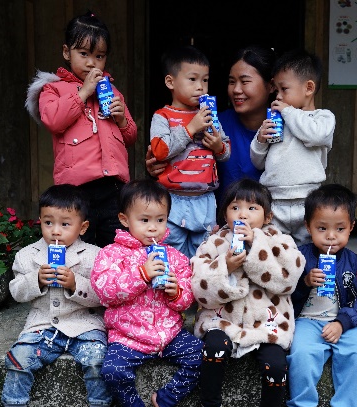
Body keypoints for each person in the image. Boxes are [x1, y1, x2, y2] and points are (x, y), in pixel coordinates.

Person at [0, 184, 112, 407]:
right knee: (19, 359)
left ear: (82, 227)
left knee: (97, 359)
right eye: (48, 222)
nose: (55, 231)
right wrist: (35, 281)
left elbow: (105, 297)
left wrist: (74, 284)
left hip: (84, 324)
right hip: (42, 324)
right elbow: (16, 292)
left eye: (65, 224)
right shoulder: (28, 255)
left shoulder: (95, 255)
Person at [190, 179, 305, 407]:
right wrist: (225, 266)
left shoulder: (280, 240)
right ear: (224, 213)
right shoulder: (214, 242)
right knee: (214, 347)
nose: (242, 214)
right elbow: (199, 287)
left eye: (252, 208)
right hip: (223, 320)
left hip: (268, 322)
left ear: (267, 216)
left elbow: (288, 280)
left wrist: (257, 247)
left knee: (276, 364)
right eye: (235, 207)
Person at [91, 180, 202, 407]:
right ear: (124, 220)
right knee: (112, 370)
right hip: (128, 336)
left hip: (169, 334)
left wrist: (177, 293)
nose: (153, 227)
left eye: (160, 220)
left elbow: (188, 298)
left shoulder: (174, 257)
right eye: (144, 219)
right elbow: (104, 291)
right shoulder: (111, 254)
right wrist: (141, 275)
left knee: (201, 355)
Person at [25, 11, 137, 247]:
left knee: (114, 246)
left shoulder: (112, 92)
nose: (91, 62)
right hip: (75, 189)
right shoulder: (53, 89)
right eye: (83, 54)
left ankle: (111, 284)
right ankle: (78, 284)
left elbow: (130, 137)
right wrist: (83, 93)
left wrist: (122, 120)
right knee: (78, 245)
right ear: (67, 52)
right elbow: (53, 120)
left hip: (112, 188)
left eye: (99, 56)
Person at [286, 184, 357, 407]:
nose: (331, 237)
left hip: (344, 323)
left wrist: (343, 323)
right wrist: (303, 282)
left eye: (340, 229)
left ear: (352, 227)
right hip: (307, 321)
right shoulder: (299, 257)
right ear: (308, 226)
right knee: (302, 353)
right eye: (322, 228)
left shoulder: (354, 261)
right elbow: (283, 293)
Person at [146, 46, 276, 203]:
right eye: (231, 82)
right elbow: (174, 153)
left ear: (271, 86)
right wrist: (158, 165)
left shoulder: (284, 128)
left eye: (245, 81)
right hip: (216, 219)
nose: (236, 89)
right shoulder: (211, 121)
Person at [149, 45, 231, 258]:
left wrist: (217, 146)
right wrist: (190, 129)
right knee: (170, 252)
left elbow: (226, 151)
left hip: (204, 199)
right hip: (171, 199)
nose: (200, 87)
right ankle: (174, 291)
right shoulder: (162, 116)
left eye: (205, 80)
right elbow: (159, 151)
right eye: (192, 79)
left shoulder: (209, 114)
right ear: (170, 82)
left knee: (204, 254)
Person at [250, 49, 335, 245]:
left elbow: (315, 135)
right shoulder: (277, 120)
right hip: (275, 200)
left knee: (308, 248)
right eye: (276, 90)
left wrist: (288, 112)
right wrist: (260, 140)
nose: (278, 97)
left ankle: (307, 277)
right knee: (274, 249)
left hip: (308, 200)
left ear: (308, 88)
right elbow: (257, 162)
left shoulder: (323, 118)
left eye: (284, 89)